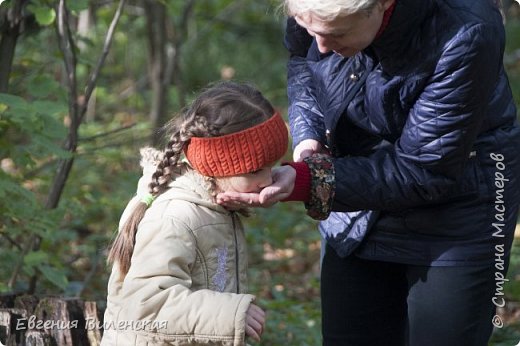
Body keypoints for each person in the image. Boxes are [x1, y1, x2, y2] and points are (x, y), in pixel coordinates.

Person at [217, 0, 520, 345]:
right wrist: (309, 137)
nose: (322, 46)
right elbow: (303, 63)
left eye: (335, 33)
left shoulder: (466, 31)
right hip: (355, 209)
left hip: (458, 211)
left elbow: (423, 170)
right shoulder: (316, 11)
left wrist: (311, 181)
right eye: (308, 28)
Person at [101, 81, 289, 345]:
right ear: (216, 164)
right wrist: (229, 314)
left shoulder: (214, 206)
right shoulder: (175, 217)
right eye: (255, 170)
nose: (268, 179)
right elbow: (146, 307)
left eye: (271, 166)